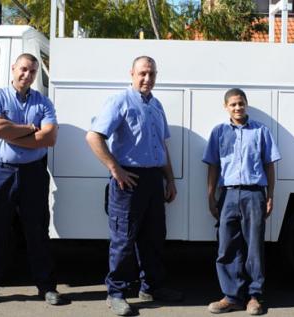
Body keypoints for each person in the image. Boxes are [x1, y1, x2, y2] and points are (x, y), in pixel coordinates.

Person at [0, 53, 68, 309]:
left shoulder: (43, 102)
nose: (27, 75)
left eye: (32, 71)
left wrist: (12, 129)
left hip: (34, 173)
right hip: (1, 172)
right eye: (23, 69)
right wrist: (31, 128)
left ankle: (46, 287)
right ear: (13, 69)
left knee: (37, 231)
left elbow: (50, 138)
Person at [86, 56, 183, 316]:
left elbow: (163, 146)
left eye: (151, 74)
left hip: (154, 180)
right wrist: (115, 168)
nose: (147, 79)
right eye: (142, 73)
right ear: (131, 73)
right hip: (128, 181)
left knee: (153, 237)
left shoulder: (157, 105)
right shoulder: (120, 101)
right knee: (123, 239)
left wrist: (170, 180)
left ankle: (151, 286)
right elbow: (94, 136)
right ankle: (116, 292)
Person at [203, 89, 281, 315]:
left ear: (246, 105)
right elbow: (213, 166)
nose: (238, 108)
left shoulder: (260, 131)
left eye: (241, 103)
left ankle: (254, 296)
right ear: (226, 107)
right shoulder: (218, 133)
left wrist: (270, 195)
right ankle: (232, 296)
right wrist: (210, 196)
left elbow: (269, 165)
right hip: (227, 195)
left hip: (254, 194)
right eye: (233, 104)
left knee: (254, 246)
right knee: (227, 246)